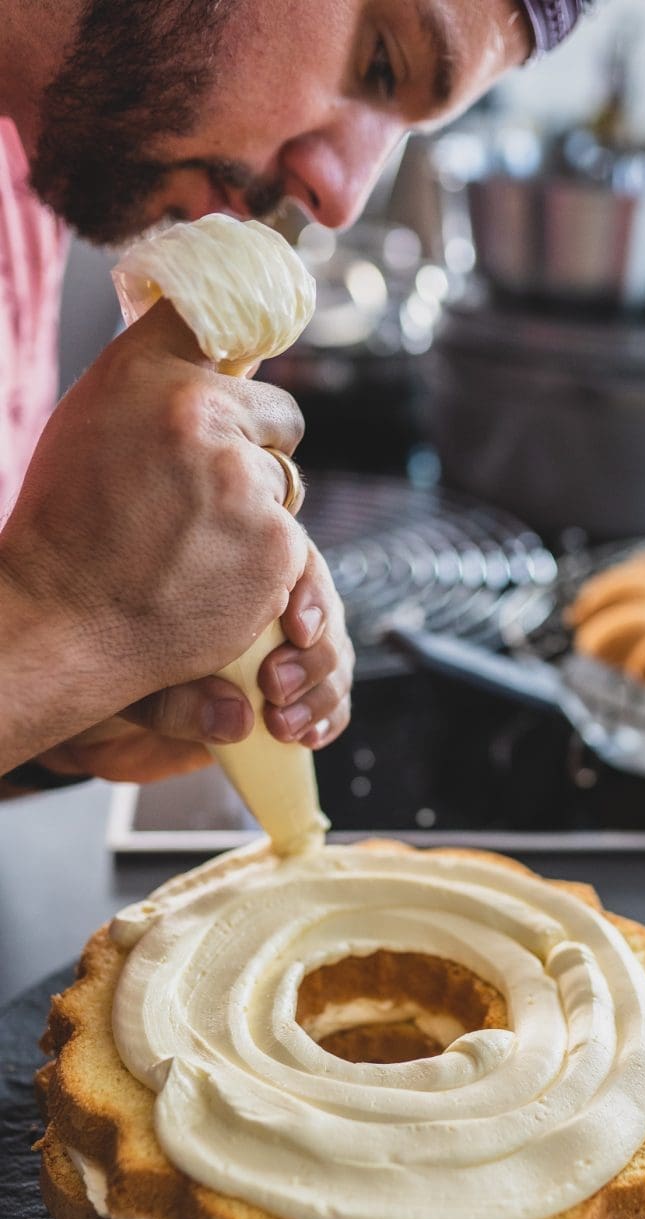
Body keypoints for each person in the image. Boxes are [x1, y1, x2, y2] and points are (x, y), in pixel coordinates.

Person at [0, 0, 588, 792]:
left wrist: (49, 730)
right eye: (381, 62)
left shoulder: (23, 171)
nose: (341, 198)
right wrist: (64, 626)